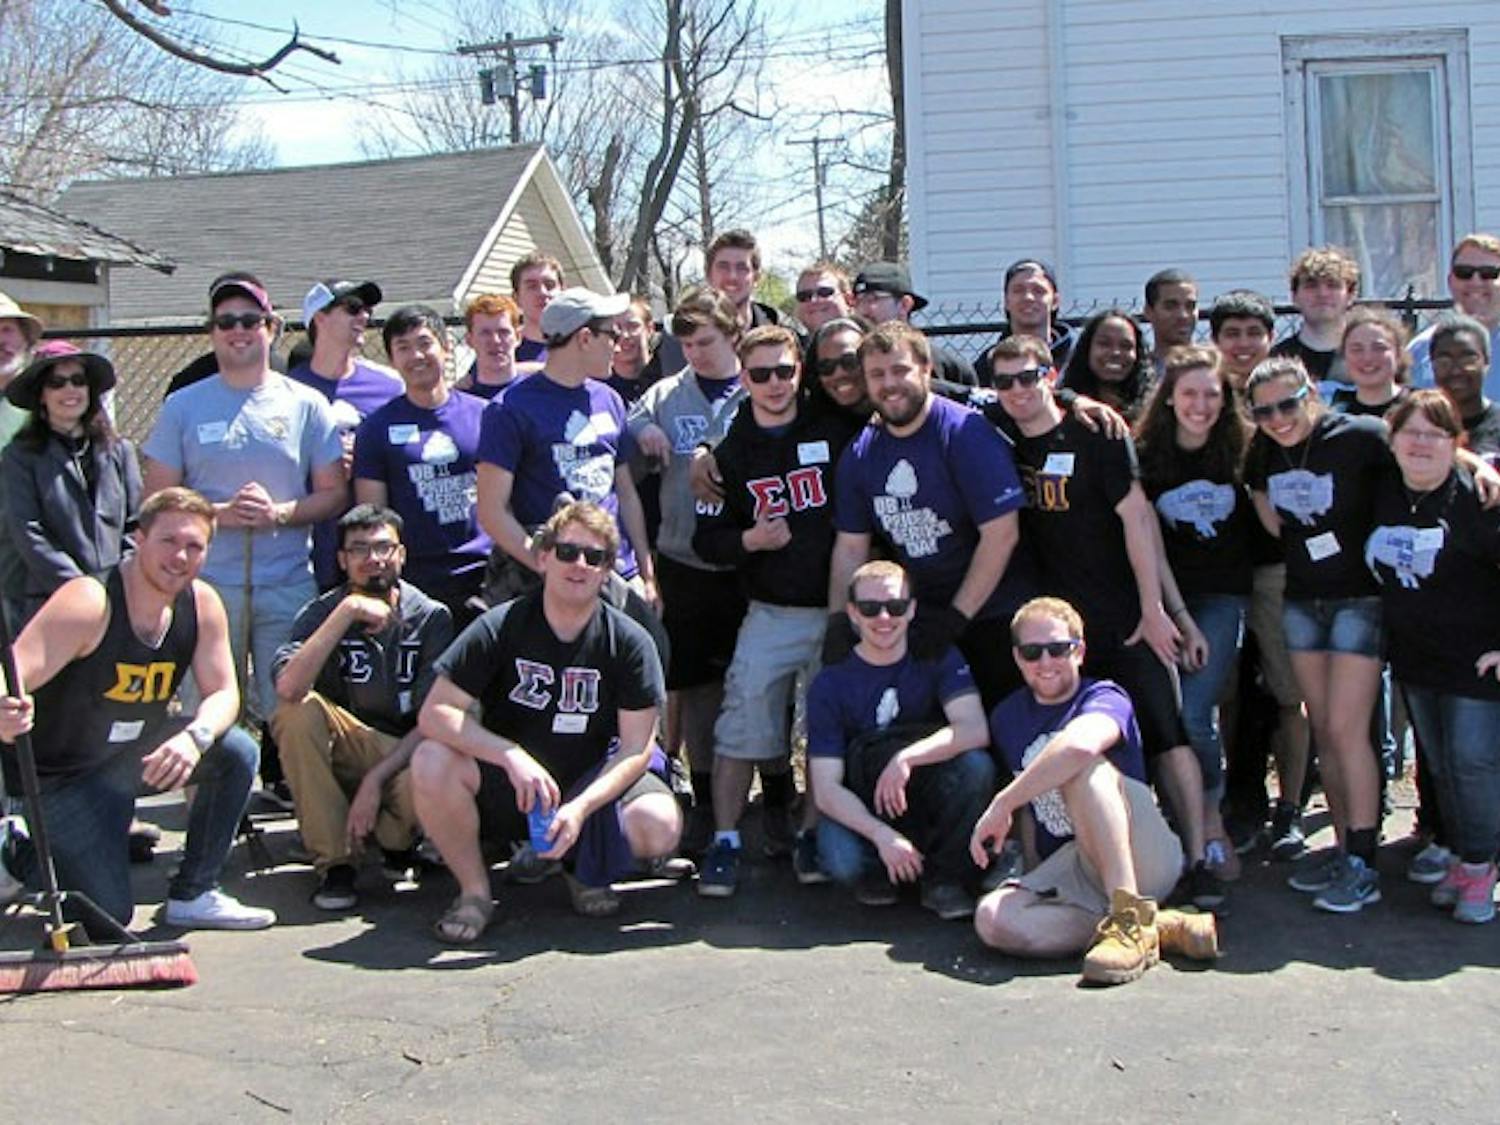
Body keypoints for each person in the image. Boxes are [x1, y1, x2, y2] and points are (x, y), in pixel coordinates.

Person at [989, 335, 1219, 908]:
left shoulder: (1097, 433)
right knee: (1053, 744)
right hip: (1058, 636)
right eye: (1006, 380)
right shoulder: (1001, 429)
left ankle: (1196, 859)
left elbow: (1138, 520)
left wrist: (1154, 608)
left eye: (1030, 376)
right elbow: (936, 387)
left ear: (1050, 373)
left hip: (1124, 617)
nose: (1018, 389)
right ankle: (1051, 869)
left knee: (1168, 734)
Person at [0, 487, 274, 933]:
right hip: (61, 775)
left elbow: (225, 693)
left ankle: (194, 893)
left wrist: (193, 737)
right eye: (168, 541)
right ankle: (16, 850)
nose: (180, 556)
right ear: (139, 540)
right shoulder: (90, 601)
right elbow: (12, 671)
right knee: (107, 915)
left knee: (236, 750)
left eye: (194, 546)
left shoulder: (202, 603)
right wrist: (6, 709)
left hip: (128, 760)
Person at [411, 501, 679, 942]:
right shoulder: (500, 625)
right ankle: (475, 893)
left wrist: (580, 809)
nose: (579, 565)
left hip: (591, 781)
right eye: (567, 551)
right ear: (542, 557)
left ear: (608, 570)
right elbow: (436, 713)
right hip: (515, 784)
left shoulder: (630, 640)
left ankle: (581, 867)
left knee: (659, 823)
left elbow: (637, 748)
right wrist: (510, 755)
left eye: (594, 557)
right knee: (430, 760)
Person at [141, 274, 346, 791]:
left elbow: (333, 495)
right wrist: (217, 514)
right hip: (208, 587)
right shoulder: (182, 406)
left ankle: (310, 821)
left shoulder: (306, 404)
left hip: (287, 582)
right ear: (211, 332)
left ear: (272, 328)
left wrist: (279, 512)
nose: (239, 331)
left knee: (293, 706)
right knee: (205, 707)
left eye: (250, 321)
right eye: (226, 322)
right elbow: (156, 501)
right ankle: (210, 833)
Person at [692, 325, 861, 894]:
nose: (774, 384)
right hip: (772, 611)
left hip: (841, 609)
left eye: (784, 371)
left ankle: (811, 834)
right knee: (742, 726)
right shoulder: (731, 451)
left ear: (800, 373)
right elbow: (704, 540)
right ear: (743, 379)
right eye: (760, 374)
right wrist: (748, 542)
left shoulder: (836, 430)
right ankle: (725, 839)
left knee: (825, 732)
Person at [971, 597, 1217, 986]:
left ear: (1080, 651)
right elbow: (1033, 811)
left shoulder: (1105, 695)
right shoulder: (1006, 717)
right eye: (1032, 652)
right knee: (993, 920)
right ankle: (1155, 925)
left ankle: (1127, 919)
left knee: (1083, 768)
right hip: (1073, 866)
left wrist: (1003, 802)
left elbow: (1080, 746)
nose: (1046, 661)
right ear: (1017, 658)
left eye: (1058, 649)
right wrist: (1034, 874)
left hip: (1139, 853)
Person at [1244, 357, 1391, 912]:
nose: (1279, 418)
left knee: (1348, 730)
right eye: (1264, 411)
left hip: (1359, 598)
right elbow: (1264, 501)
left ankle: (1363, 859)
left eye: (1288, 403)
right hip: (1304, 598)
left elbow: (1425, 451)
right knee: (1323, 729)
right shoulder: (1265, 447)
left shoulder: (1359, 434)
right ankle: (1343, 848)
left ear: (1310, 392)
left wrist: (1480, 465)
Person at [828, 321, 1035, 712]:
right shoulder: (861, 453)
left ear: (925, 369)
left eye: (900, 370)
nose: (889, 384)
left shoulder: (965, 433)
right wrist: (840, 621)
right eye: (877, 374)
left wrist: (957, 618)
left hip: (993, 611)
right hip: (920, 617)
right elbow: (850, 547)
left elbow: (1002, 534)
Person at [271, 505, 452, 911]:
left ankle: (398, 845)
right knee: (294, 713)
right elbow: (288, 686)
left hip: (403, 755)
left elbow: (433, 717)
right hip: (344, 748)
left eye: (384, 547)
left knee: (437, 755)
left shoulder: (431, 618)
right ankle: (336, 864)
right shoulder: (319, 613)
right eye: (359, 550)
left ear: (402, 555)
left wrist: (375, 782)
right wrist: (347, 612)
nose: (374, 559)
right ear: (342, 560)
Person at [1368, 391, 1500, 923]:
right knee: (1441, 767)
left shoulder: (1478, 498)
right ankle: (1465, 856)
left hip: (1476, 661)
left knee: (1473, 764)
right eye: (1411, 432)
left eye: (1436, 434)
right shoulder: (1384, 491)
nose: (1421, 443)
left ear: (1456, 443)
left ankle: (1480, 864)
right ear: (1392, 439)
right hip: (1417, 659)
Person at [628, 288, 749, 861]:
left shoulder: (760, 388)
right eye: (687, 344)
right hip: (685, 559)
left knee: (756, 687)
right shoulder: (662, 397)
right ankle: (702, 801)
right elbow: (624, 435)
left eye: (707, 342)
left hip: (750, 559)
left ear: (734, 337)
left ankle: (772, 799)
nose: (696, 353)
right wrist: (642, 435)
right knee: (697, 691)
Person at [806, 560, 996, 920]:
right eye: (870, 608)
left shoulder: (939, 656)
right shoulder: (829, 684)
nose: (883, 618)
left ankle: (943, 878)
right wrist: (882, 837)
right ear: (852, 613)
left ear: (911, 609)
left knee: (977, 766)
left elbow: (974, 729)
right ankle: (887, 867)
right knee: (842, 863)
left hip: (925, 791)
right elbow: (826, 790)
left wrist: (906, 759)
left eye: (894, 607)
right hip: (863, 804)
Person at [1134, 345, 1254, 881]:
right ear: (1169, 399)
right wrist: (1176, 617)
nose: (1200, 405)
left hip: (1223, 598)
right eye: (1189, 393)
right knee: (1168, 710)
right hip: (1168, 598)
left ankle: (1209, 822)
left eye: (1211, 394)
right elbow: (1148, 545)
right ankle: (1174, 819)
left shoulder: (1243, 450)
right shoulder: (1144, 456)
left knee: (1196, 712)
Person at [475, 287, 658, 607]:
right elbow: (492, 511)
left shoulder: (610, 399)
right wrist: (550, 566)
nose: (617, 346)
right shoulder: (510, 408)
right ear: (585, 338)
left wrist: (645, 573)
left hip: (617, 572)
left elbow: (626, 493)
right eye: (611, 335)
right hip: (550, 582)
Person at [353, 305, 492, 627]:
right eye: (403, 348)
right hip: (416, 581)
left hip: (484, 574)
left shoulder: (486, 416)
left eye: (425, 343)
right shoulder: (376, 429)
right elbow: (372, 514)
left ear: (446, 348)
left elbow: (507, 498)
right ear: (391, 360)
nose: (416, 355)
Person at [1, 342, 141, 625]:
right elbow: (27, 531)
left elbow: (136, 523)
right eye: (57, 383)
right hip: (44, 603)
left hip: (116, 600)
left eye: (79, 381)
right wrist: (80, 590)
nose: (70, 390)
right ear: (41, 394)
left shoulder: (119, 451)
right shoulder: (19, 457)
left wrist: (119, 583)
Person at [290, 278, 403, 592]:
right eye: (352, 308)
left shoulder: (390, 385)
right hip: (310, 541)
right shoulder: (287, 390)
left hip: (372, 542)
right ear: (320, 318)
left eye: (366, 310)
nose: (363, 317)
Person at [850, 261, 977, 386]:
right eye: (858, 301)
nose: (863, 310)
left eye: (873, 299)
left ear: (905, 305)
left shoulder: (950, 369)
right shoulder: (847, 367)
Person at [1410, 233, 1500, 398]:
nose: (1475, 281)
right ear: (1450, 281)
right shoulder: (1420, 349)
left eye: (1488, 273)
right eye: (1464, 272)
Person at [1271, 246, 1359, 397]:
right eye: (1311, 285)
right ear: (1294, 296)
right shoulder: (1277, 360)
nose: (1322, 294)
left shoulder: (1370, 354)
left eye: (1332, 285)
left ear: (1351, 295)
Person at [978, 258, 1077, 376]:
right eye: (1018, 290)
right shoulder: (988, 363)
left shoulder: (1078, 357)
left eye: (1038, 290)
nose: (1028, 297)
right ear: (1006, 301)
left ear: (1055, 301)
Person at [1059, 309, 1156, 422]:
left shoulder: (1152, 415)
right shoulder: (1062, 410)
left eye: (1126, 346)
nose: (1115, 352)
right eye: (1104, 344)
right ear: (1087, 350)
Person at [1428, 314, 1500, 459]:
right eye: (1444, 361)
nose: (1456, 371)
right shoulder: (1419, 426)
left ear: (1486, 363)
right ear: (1432, 365)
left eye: (1467, 359)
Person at [1332, 306, 1411, 417]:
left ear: (1398, 354)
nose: (1367, 358)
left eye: (1379, 348)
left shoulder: (1419, 408)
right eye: (1357, 349)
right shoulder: (1334, 413)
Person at [456, 293, 522, 401]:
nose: (495, 340)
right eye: (485, 333)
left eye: (503, 332)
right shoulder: (458, 403)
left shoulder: (536, 395)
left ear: (518, 337)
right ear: (469, 340)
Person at [1209, 290, 1276, 397]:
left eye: (1254, 333)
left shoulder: (1287, 392)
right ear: (1215, 341)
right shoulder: (1203, 395)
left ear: (1271, 337)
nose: (1244, 344)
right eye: (1232, 334)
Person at [510, 250, 564, 373]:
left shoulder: (581, 344)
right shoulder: (502, 347)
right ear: (516, 298)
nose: (543, 293)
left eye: (550, 285)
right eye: (532, 286)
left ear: (563, 293)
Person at [1142, 269, 1200, 374]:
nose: (1183, 315)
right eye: (1170, 306)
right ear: (1148, 311)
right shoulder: (1136, 373)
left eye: (1190, 306)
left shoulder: (1215, 369)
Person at [793, 262, 853, 335]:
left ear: (848, 300)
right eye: (804, 296)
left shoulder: (868, 344)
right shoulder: (785, 345)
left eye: (824, 292)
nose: (813, 300)